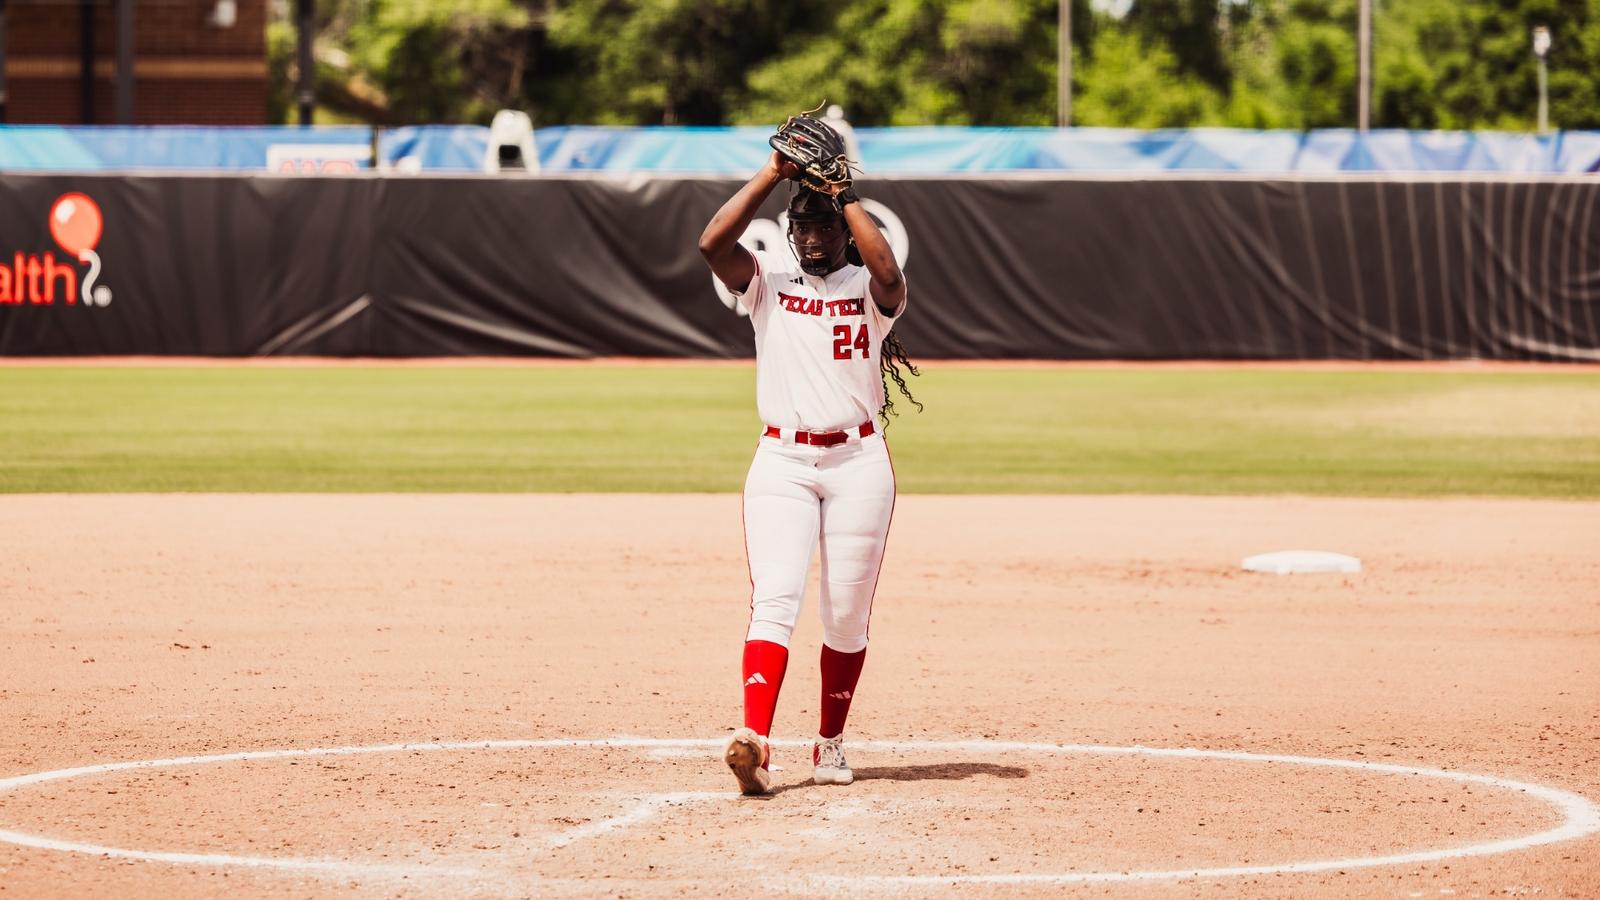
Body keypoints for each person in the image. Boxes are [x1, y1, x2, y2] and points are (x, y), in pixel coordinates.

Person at [697, 131, 921, 796]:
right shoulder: (769, 283)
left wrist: (841, 193)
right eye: (801, 225)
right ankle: (756, 741)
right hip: (782, 462)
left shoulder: (866, 286)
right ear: (788, 235)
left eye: (821, 223)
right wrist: (773, 172)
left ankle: (829, 744)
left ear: (843, 229)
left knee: (846, 616)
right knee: (774, 599)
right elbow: (712, 245)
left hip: (857, 463)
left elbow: (889, 274)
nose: (811, 235)